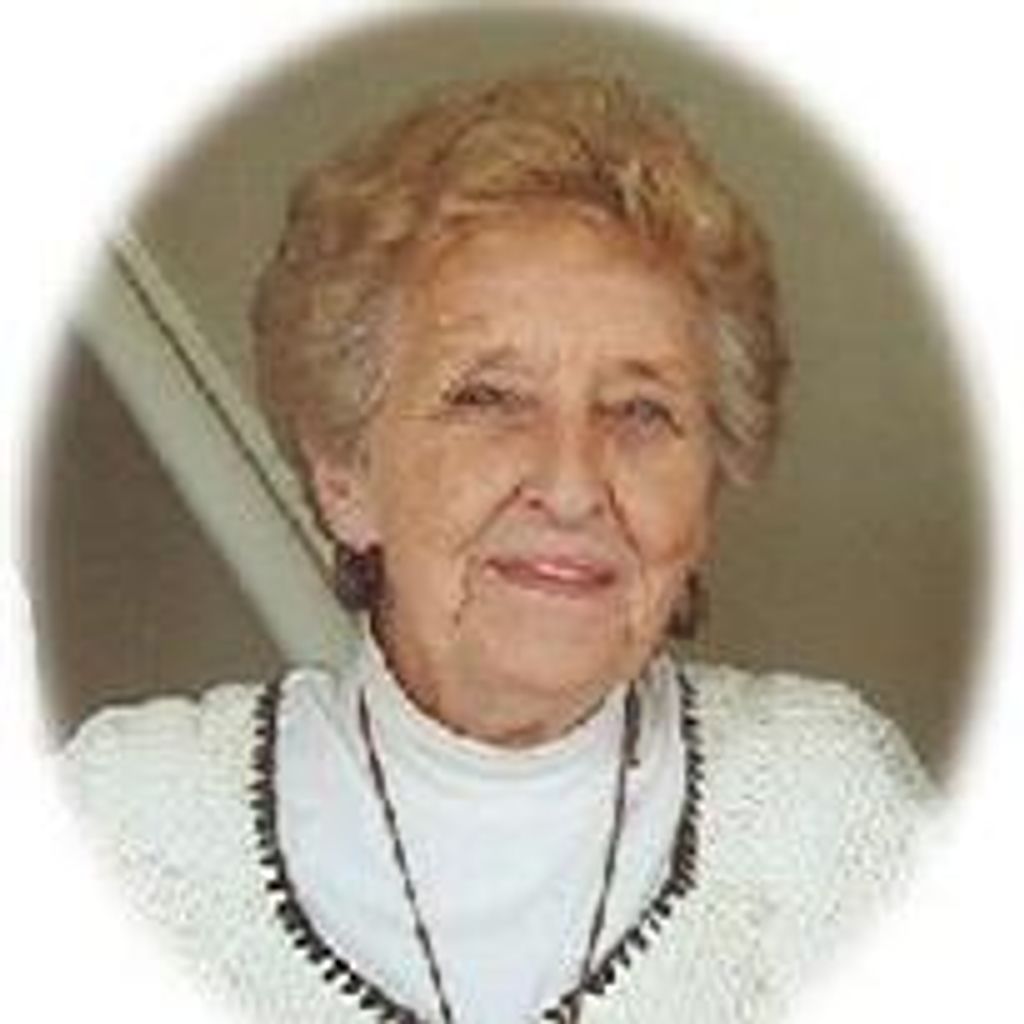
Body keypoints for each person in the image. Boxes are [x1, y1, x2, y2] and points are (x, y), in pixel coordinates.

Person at [61, 74, 932, 1024]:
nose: (571, 484)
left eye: (641, 411)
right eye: (490, 399)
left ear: (708, 488)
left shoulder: (826, 814)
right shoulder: (129, 825)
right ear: (345, 477)